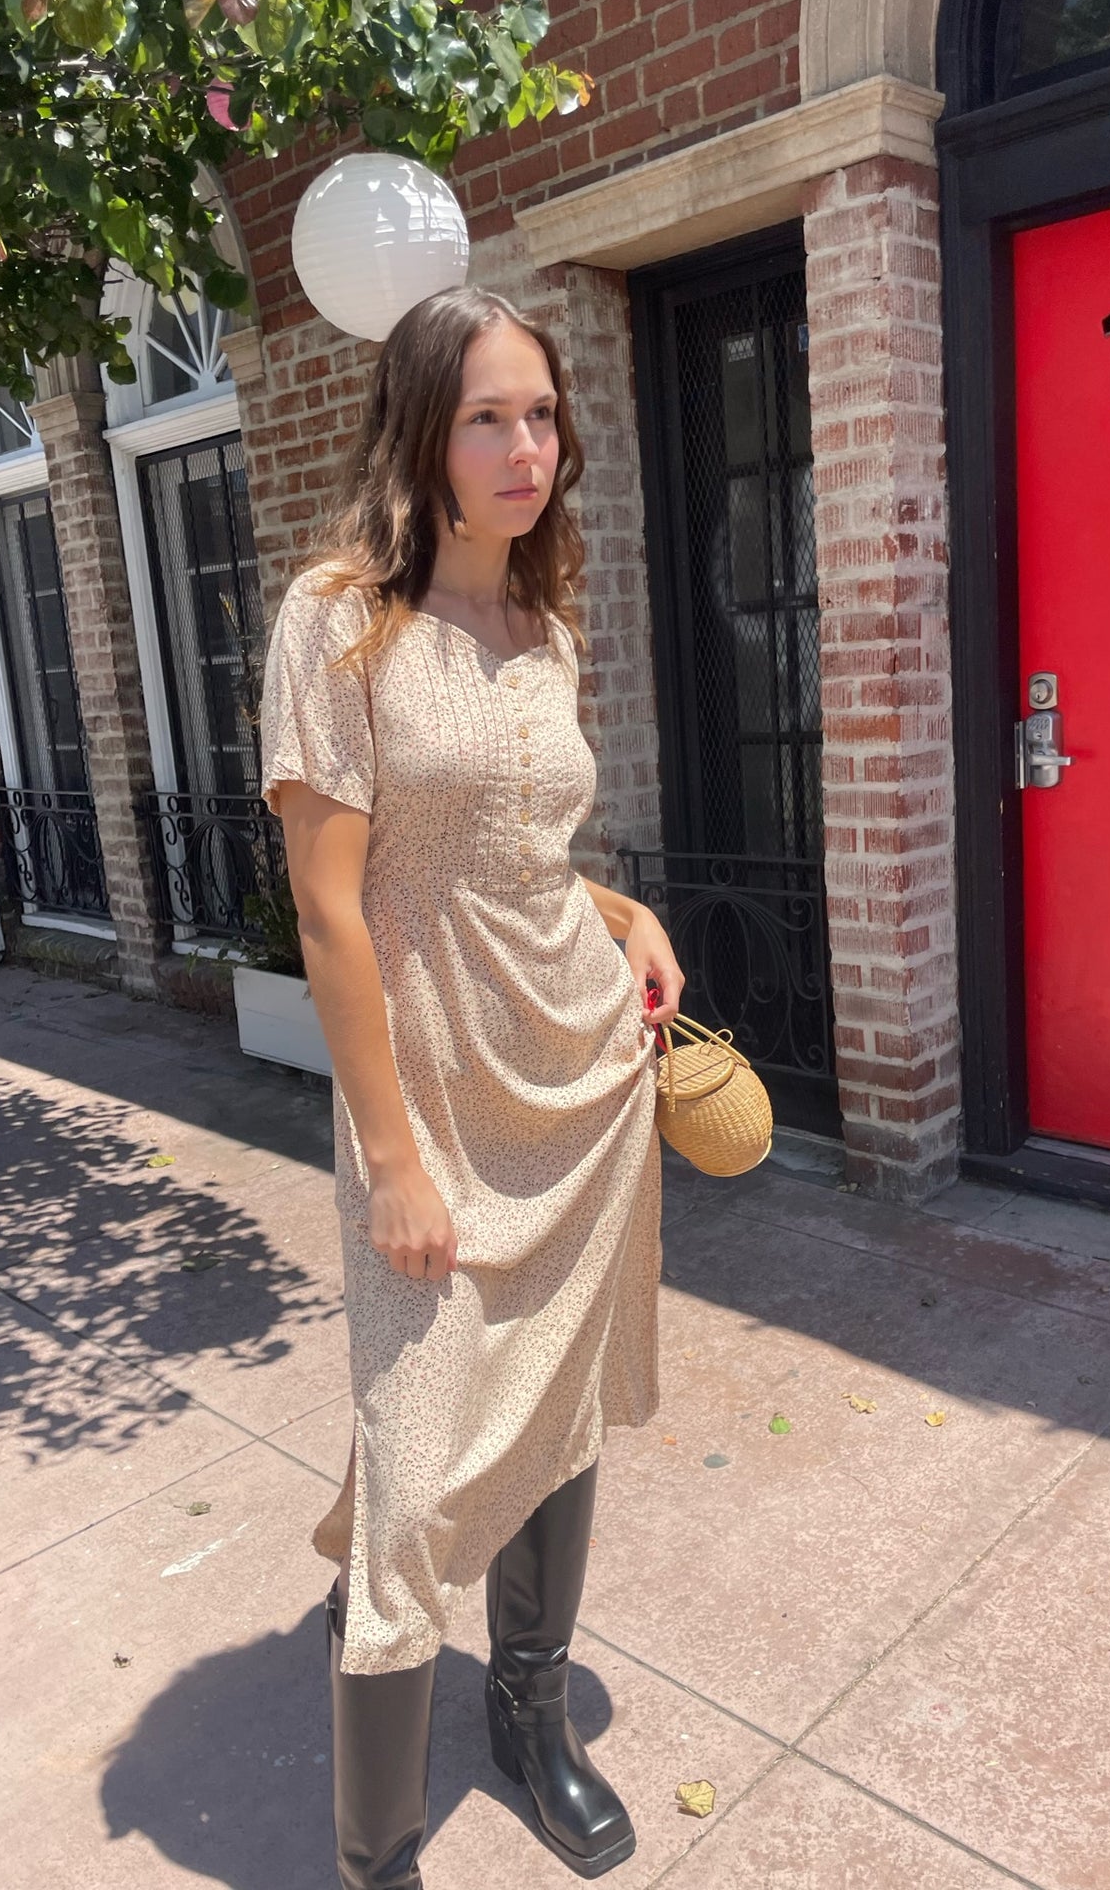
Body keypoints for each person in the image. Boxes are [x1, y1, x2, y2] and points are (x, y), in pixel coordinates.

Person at [257, 284, 684, 1888]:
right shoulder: (339, 622)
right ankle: (376, 1863)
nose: (525, 448)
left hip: (580, 1083)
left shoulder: (545, 629)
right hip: (432, 1112)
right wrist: (390, 1157)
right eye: (486, 417)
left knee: (558, 1409)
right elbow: (332, 909)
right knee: (414, 1466)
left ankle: (528, 1716)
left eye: (542, 415)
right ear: (421, 436)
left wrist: (625, 921)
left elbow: (520, 858)